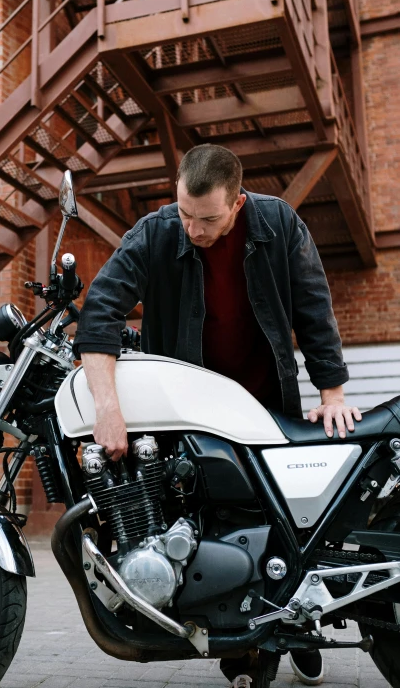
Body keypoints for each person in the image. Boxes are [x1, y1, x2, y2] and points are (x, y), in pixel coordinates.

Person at [73, 144, 362, 686]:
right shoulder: (156, 233)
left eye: (207, 218)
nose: (193, 229)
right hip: (194, 416)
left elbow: (313, 307)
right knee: (216, 529)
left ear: (238, 203)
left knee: (286, 530)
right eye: (185, 212)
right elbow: (101, 311)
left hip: (267, 404)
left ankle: (301, 632)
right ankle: (241, 655)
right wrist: (107, 408)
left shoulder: (278, 223)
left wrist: (333, 393)